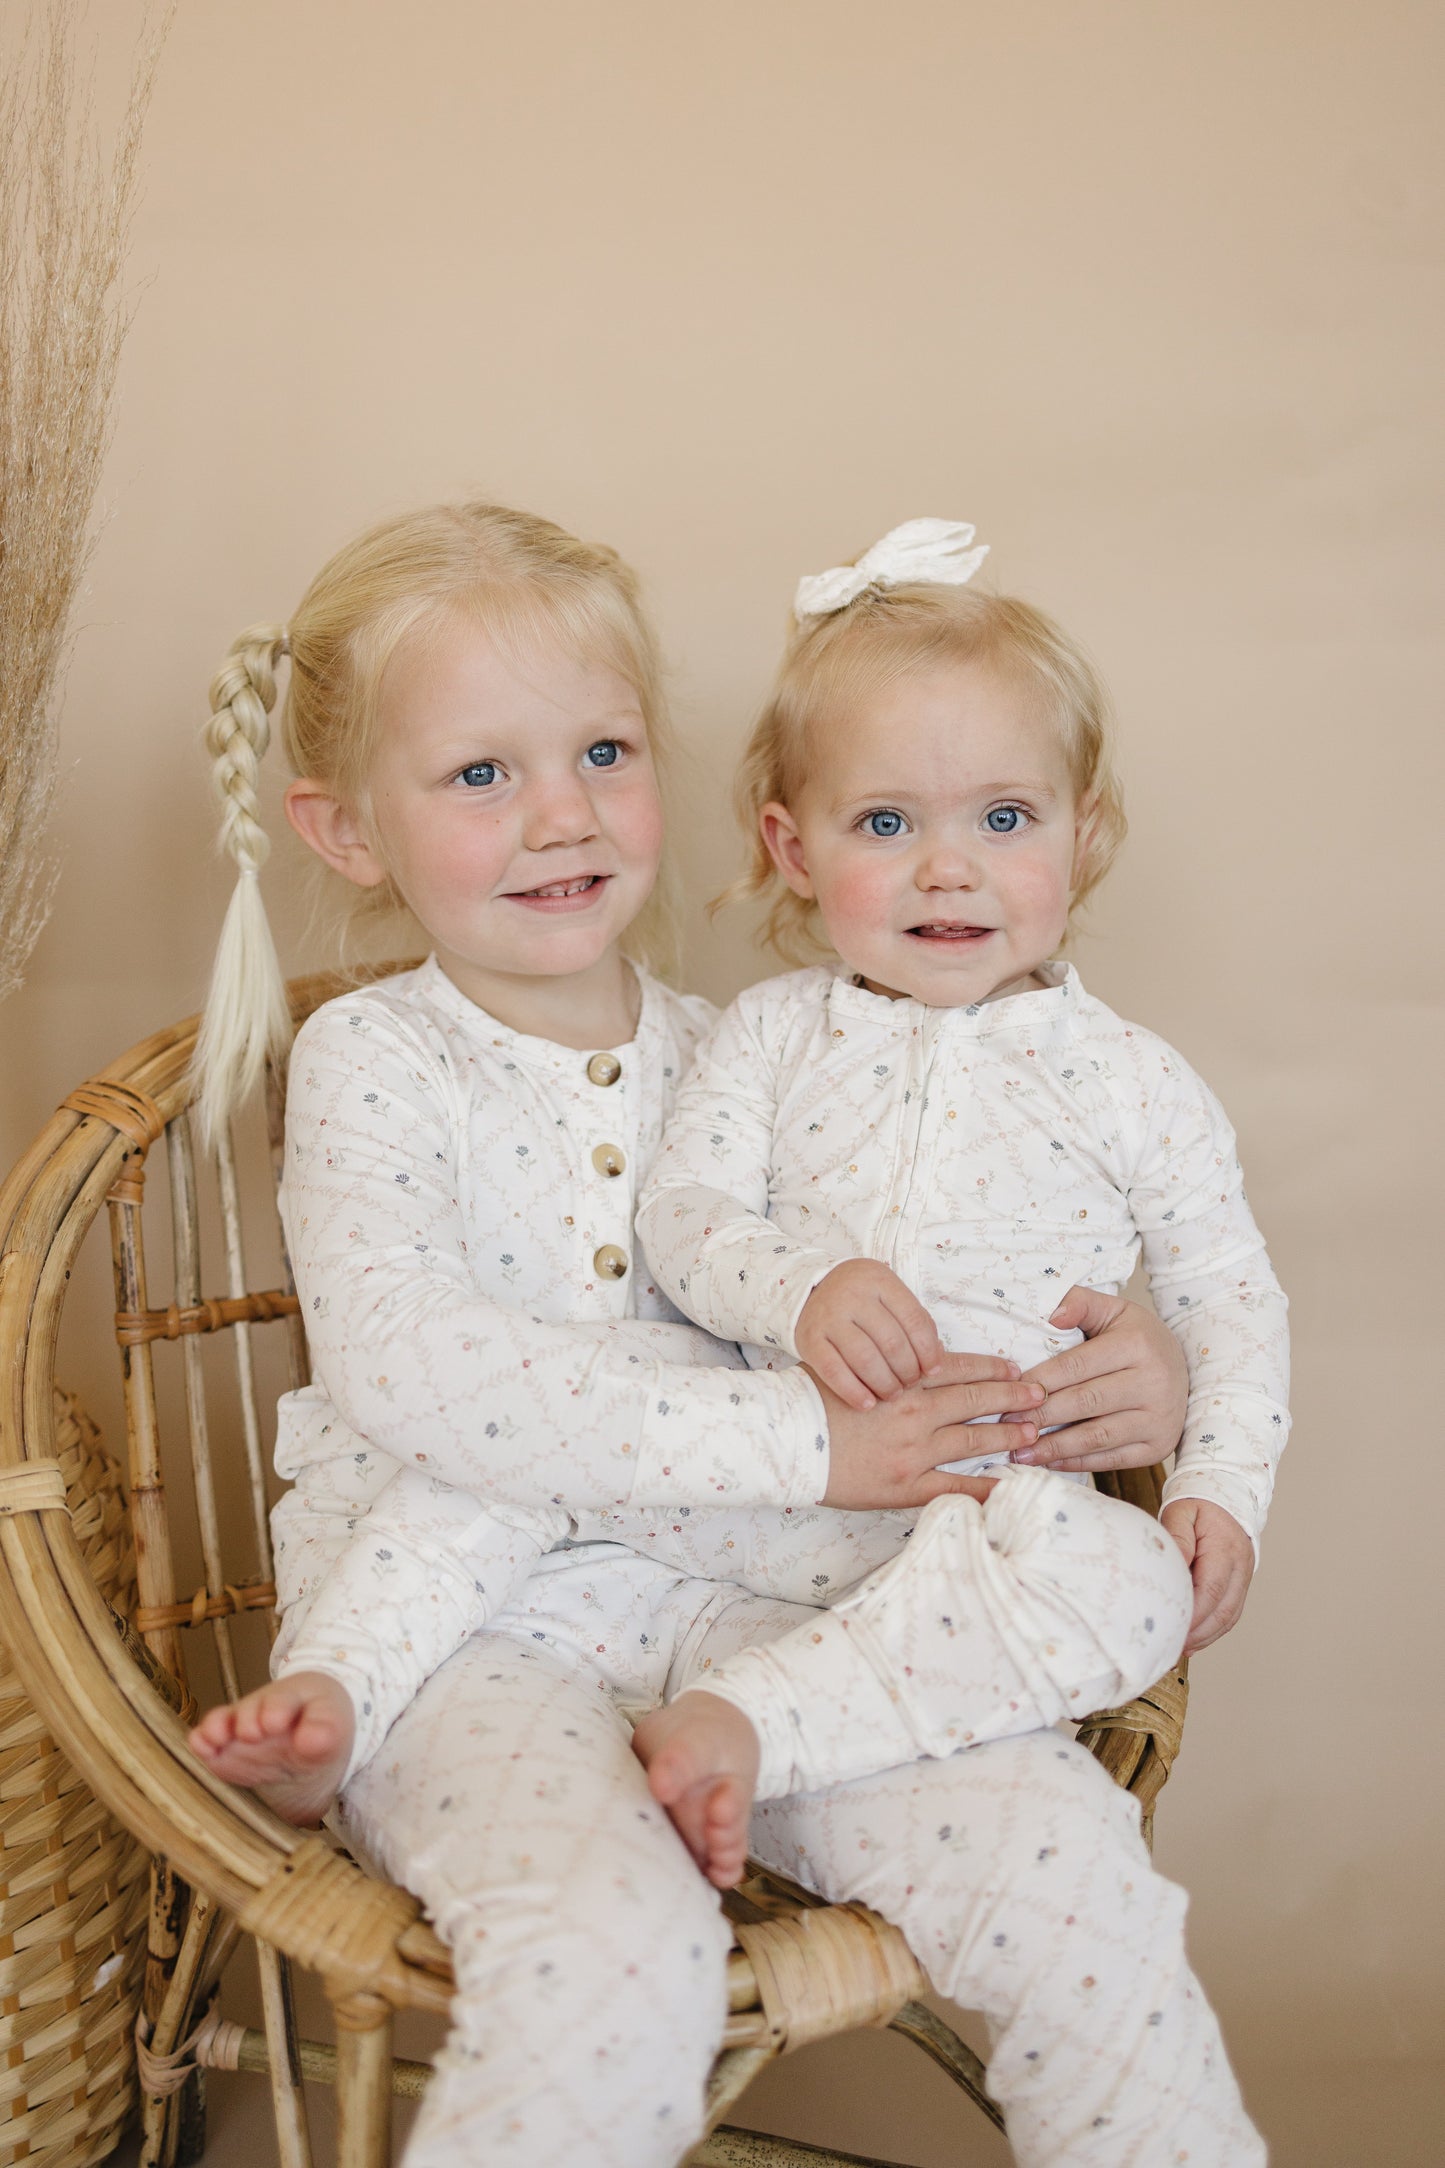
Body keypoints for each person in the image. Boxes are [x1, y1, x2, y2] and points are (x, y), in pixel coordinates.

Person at [188, 501, 1266, 2165]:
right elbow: (410, 1363)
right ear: (345, 833)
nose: (560, 813)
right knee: (612, 1954)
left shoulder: (770, 1053)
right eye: (479, 773)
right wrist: (811, 1441)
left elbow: (953, 1284)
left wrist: (1144, 1372)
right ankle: (362, 1753)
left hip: (772, 1615)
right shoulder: (378, 1060)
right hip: (457, 1621)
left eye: (602, 752)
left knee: (1071, 1873)